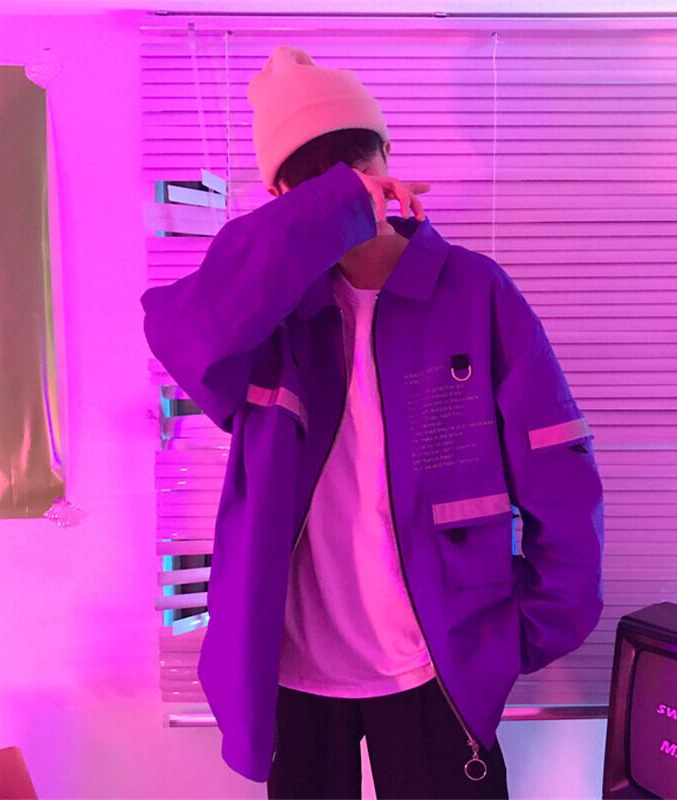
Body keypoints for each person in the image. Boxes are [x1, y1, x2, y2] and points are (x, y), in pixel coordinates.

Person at [140, 44, 605, 800]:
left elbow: (558, 468)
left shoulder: (472, 291)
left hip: (439, 664)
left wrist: (532, 627)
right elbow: (181, 330)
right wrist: (331, 206)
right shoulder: (268, 319)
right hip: (293, 673)